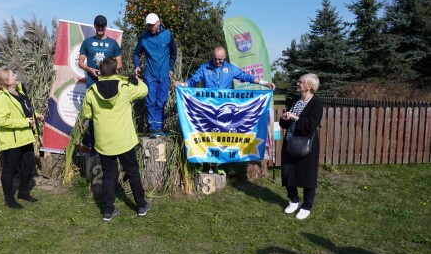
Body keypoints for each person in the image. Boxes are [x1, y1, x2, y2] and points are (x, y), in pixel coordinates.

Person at [176, 46, 276, 174]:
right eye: (216, 59)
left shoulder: (230, 68)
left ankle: (219, 165)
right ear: (212, 56)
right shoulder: (204, 68)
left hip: (225, 108)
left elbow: (247, 77)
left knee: (223, 137)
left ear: (225, 57)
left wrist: (264, 83)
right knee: (208, 135)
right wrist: (182, 85)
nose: (218, 62)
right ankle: (207, 165)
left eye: (221, 59)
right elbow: (192, 81)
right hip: (210, 110)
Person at [81, 58, 150, 222]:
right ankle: (141, 205)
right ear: (116, 71)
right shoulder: (125, 88)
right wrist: (139, 80)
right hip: (124, 140)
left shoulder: (91, 92)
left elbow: (86, 115)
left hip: (105, 142)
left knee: (108, 175)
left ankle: (108, 210)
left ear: (100, 72)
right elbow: (144, 91)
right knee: (132, 172)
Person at [0, 67, 45, 209]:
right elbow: (2, 121)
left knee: (29, 164)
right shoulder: (0, 98)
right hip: (12, 140)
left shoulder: (19, 92)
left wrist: (36, 115)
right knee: (9, 169)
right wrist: (25, 122)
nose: (16, 76)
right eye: (13, 75)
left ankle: (23, 192)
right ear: (6, 81)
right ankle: (8, 199)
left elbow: (23, 110)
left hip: (25, 136)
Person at [279, 73, 323, 220]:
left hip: (306, 144)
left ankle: (307, 206)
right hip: (290, 142)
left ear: (309, 86)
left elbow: (311, 126)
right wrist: (284, 118)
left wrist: (296, 118)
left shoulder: (316, 103)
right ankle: (294, 200)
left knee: (307, 175)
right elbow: (284, 124)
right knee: (286, 172)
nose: (298, 84)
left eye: (300, 82)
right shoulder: (295, 101)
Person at [78, 15, 122, 154]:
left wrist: (108, 73)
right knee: (93, 115)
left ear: (106, 26)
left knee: (109, 113)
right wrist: (90, 69)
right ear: (94, 26)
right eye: (98, 25)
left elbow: (119, 64)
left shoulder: (113, 44)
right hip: (92, 82)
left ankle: (109, 147)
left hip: (108, 82)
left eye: (103, 25)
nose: (101, 28)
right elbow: (80, 62)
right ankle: (93, 148)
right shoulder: (87, 42)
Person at [132, 13, 177, 138]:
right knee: (150, 101)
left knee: (161, 101)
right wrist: (137, 65)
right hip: (150, 74)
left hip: (163, 74)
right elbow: (136, 53)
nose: (150, 28)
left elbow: (174, 53)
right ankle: (153, 129)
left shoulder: (168, 35)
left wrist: (171, 67)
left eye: (152, 25)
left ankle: (159, 127)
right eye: (148, 25)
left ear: (158, 23)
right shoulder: (144, 37)